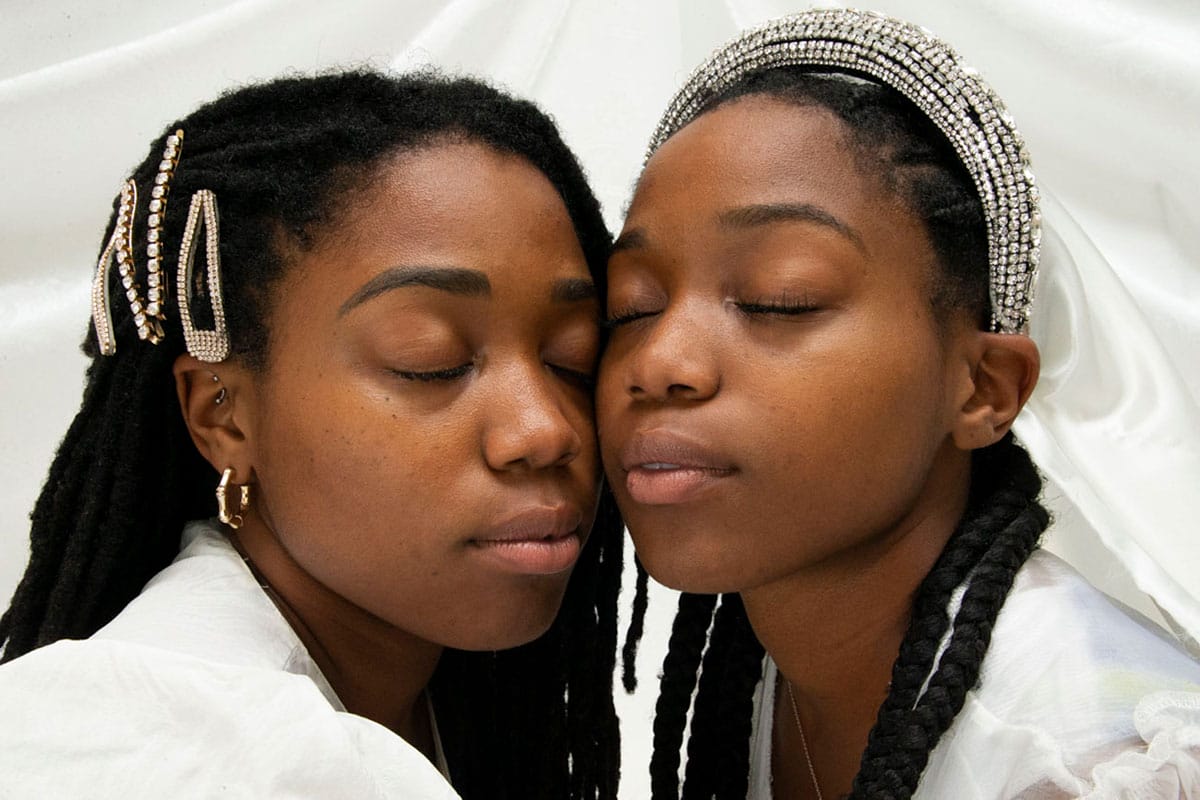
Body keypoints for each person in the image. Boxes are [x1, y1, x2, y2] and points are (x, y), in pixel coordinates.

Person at [600, 10, 1200, 799]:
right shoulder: (766, 676)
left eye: (778, 299)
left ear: (984, 390)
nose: (659, 362)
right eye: (631, 306)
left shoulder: (1103, 765)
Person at [0, 70, 623, 799]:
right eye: (433, 363)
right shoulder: (191, 756)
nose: (545, 429)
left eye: (573, 359)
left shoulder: (422, 694)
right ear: (222, 414)